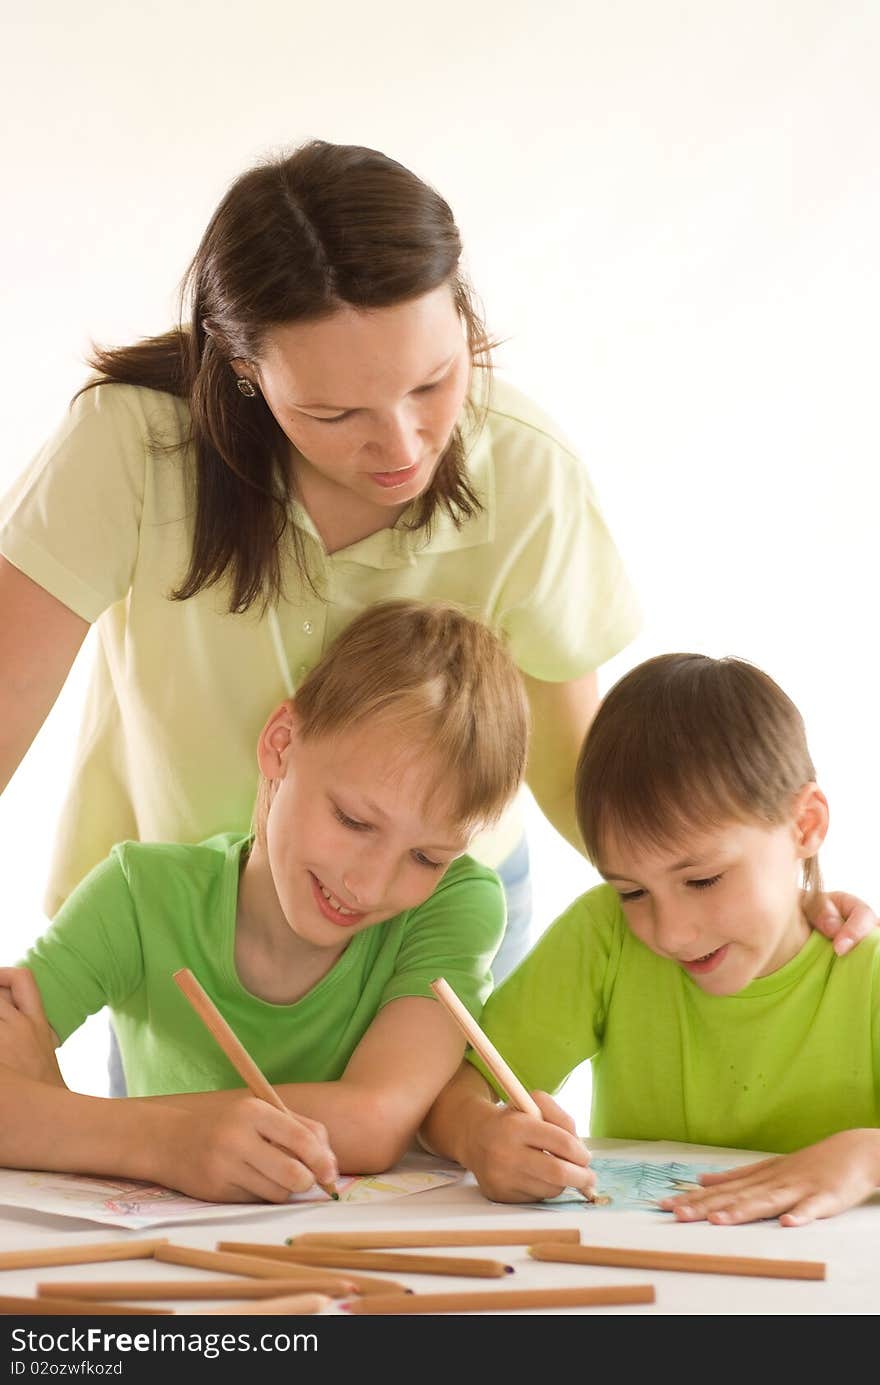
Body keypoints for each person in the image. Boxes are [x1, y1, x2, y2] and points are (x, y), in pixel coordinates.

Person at [0, 139, 643, 1027]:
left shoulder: (526, 472)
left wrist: (759, 895)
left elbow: (578, 770)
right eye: (334, 413)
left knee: (427, 1167)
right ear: (242, 371)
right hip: (186, 925)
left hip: (428, 923)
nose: (405, 445)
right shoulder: (129, 447)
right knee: (171, 1163)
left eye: (434, 382)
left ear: (463, 316)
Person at [0, 600, 529, 1203]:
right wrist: (162, 1141)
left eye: (426, 858)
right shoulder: (139, 895)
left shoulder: (453, 905)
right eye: (354, 821)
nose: (369, 886)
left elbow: (375, 1120)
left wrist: (71, 1114)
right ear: (281, 744)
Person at [421, 653, 880, 1226]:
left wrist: (869, 1157)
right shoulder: (605, 936)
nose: (670, 933)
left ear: (804, 825)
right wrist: (478, 1135)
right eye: (633, 892)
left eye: (703, 879)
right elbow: (451, 1092)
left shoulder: (867, 976)